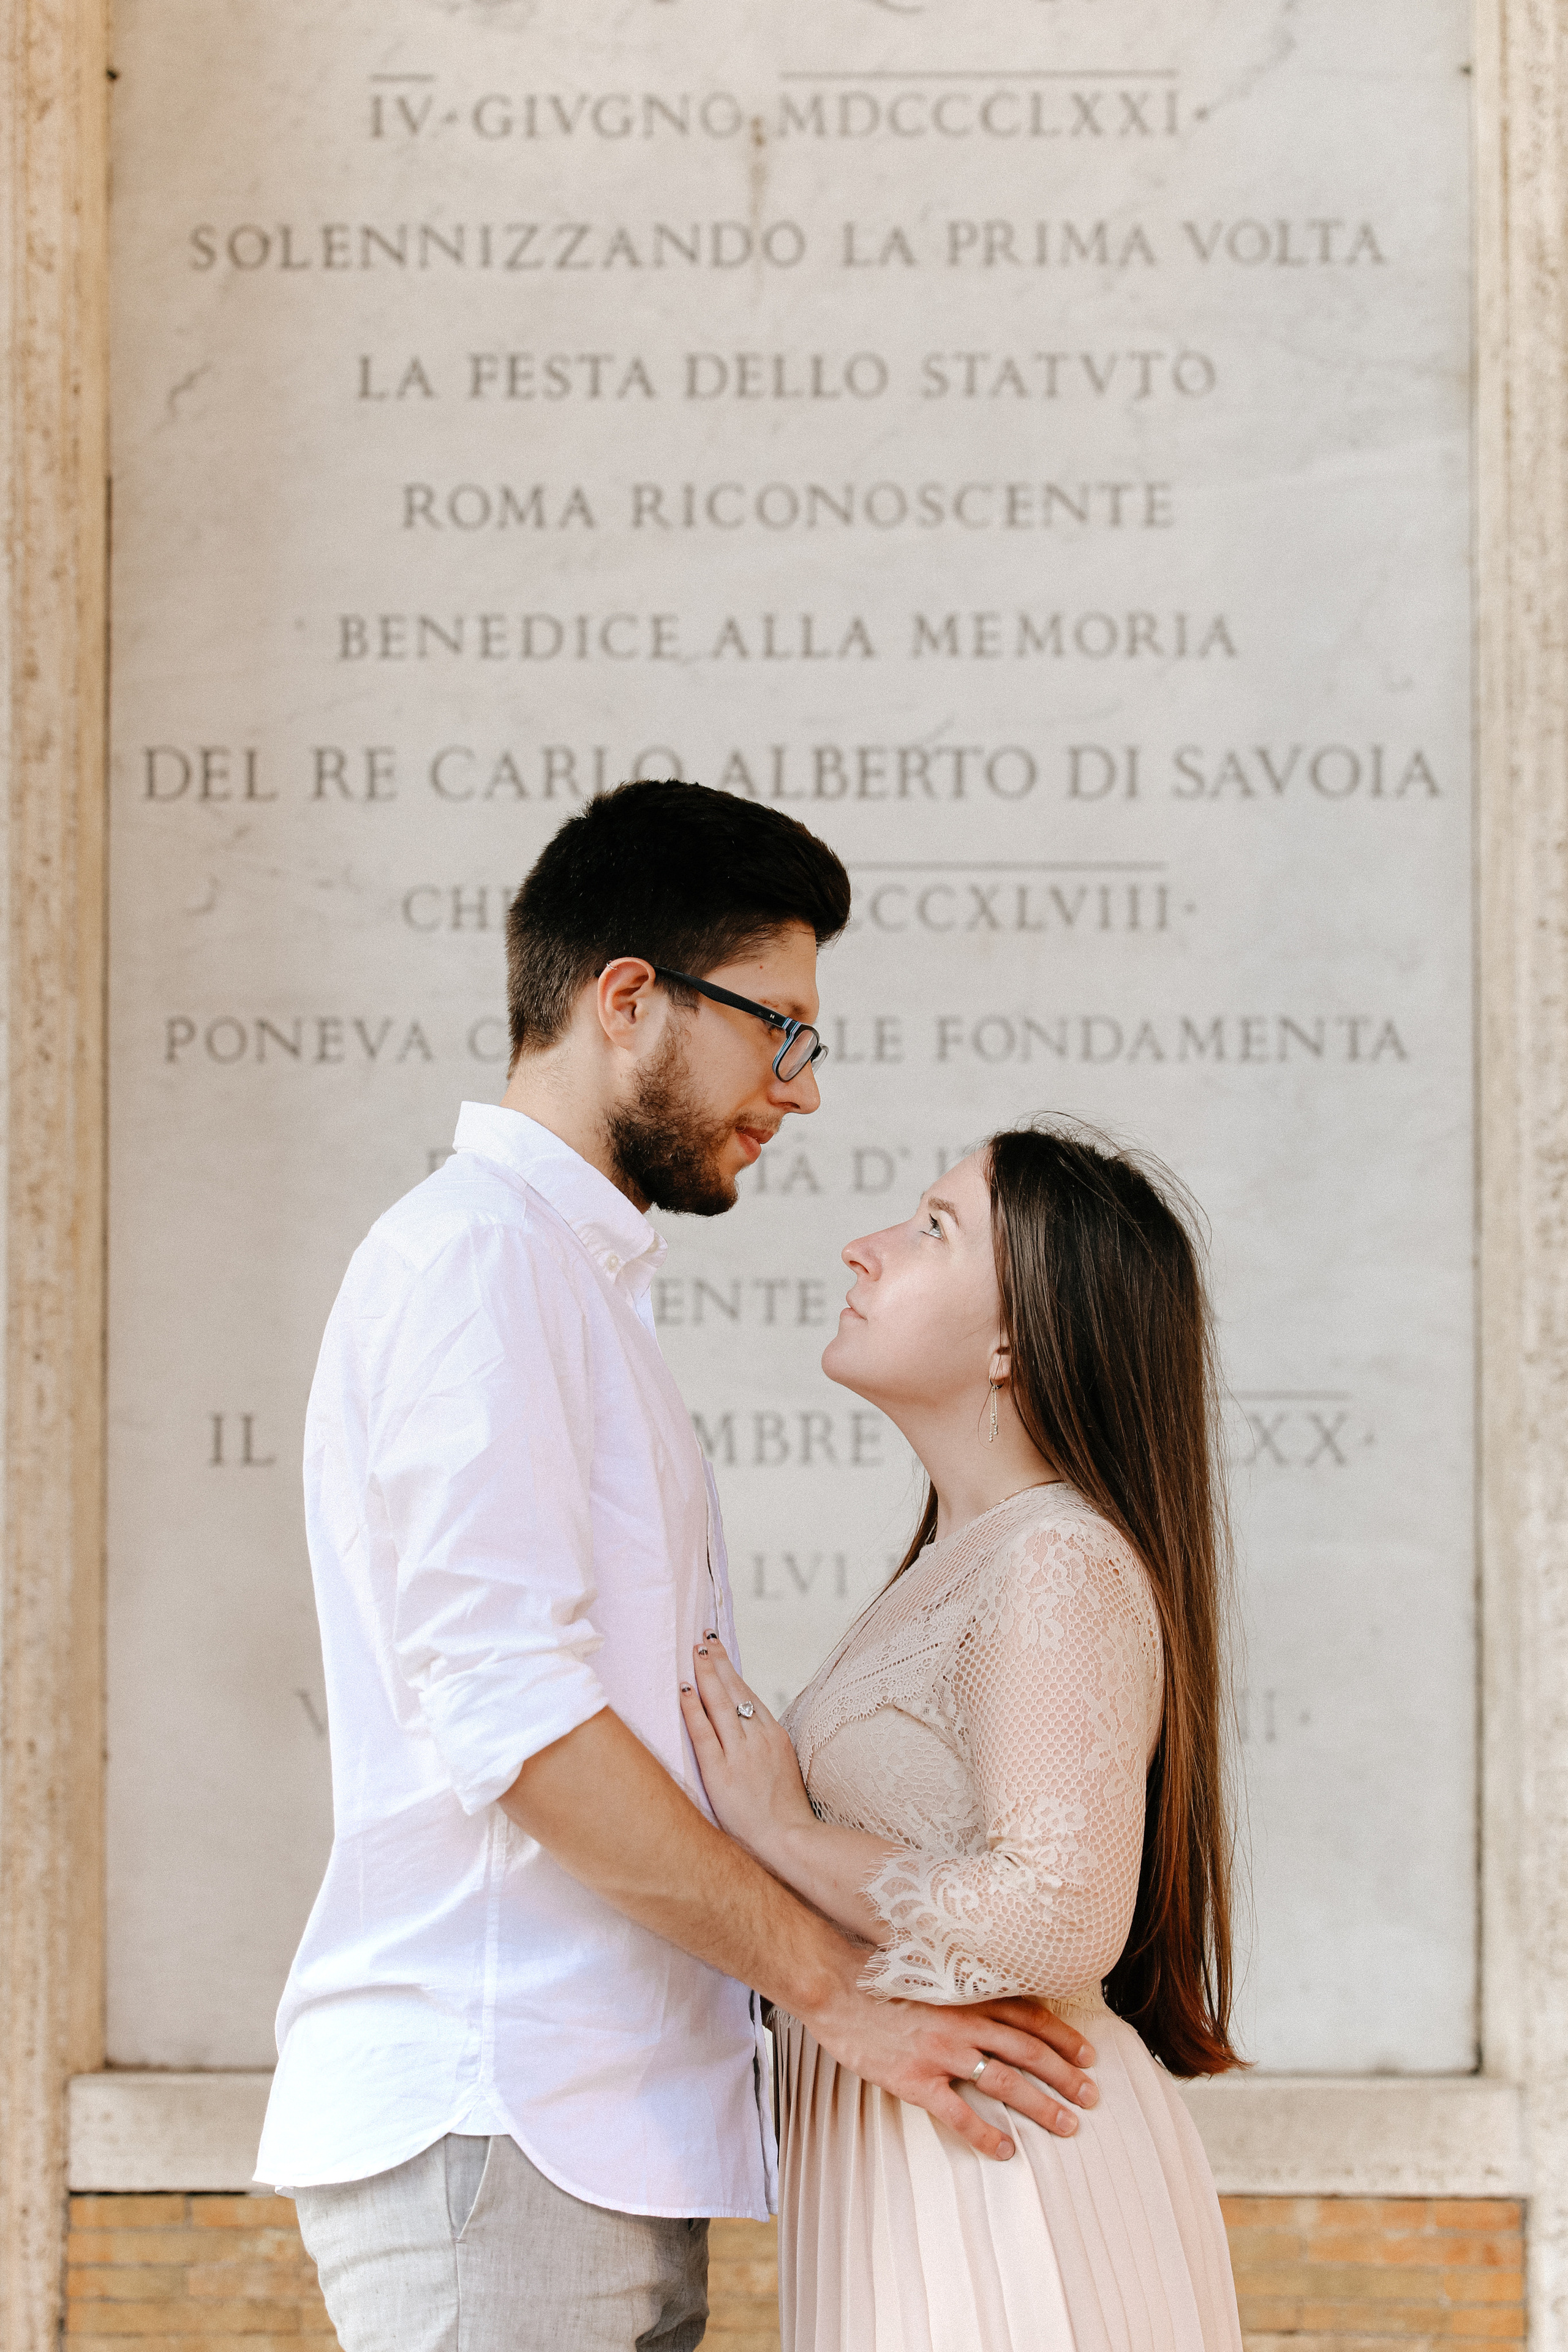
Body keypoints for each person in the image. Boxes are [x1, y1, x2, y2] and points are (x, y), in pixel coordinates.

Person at [256, 783, 1097, 2352]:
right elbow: (518, 1725)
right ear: (628, 1001)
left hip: (586, 2138)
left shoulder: (568, 1286)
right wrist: (847, 1998)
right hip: (496, 2114)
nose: (801, 1090)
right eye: (777, 1026)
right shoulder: (476, 1266)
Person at [684, 1124, 1245, 2352]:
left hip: (1002, 2185)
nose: (864, 1248)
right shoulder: (964, 1562)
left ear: (1014, 1338)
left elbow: (1057, 1915)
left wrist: (780, 1831)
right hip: (927, 2164)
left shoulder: (1055, 1560)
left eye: (932, 1227)